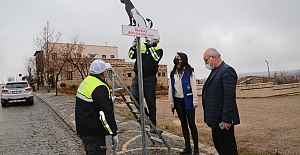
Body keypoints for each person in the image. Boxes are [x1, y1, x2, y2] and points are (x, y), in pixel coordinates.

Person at [202, 48, 240, 155]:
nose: (205, 63)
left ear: (213, 58)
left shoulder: (227, 70)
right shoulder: (215, 71)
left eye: (205, 60)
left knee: (228, 149)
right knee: (220, 147)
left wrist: (226, 119)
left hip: (223, 120)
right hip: (215, 119)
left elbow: (229, 97)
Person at [75, 59, 118, 155]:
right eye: (106, 71)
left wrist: (108, 101)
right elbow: (104, 114)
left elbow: (92, 103)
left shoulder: (87, 81)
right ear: (103, 73)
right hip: (93, 132)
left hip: (84, 128)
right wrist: (113, 132)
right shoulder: (99, 87)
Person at [128, 37, 163, 132]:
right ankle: (143, 112)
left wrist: (150, 46)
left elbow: (156, 58)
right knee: (133, 96)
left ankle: (153, 125)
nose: (151, 39)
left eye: (154, 38)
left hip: (150, 77)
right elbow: (131, 56)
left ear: (158, 41)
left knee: (150, 101)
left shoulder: (159, 50)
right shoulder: (142, 47)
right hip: (138, 76)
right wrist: (133, 47)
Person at [168, 52, 199, 155]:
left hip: (188, 100)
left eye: (178, 57)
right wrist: (171, 102)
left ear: (183, 59)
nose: (176, 59)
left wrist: (195, 100)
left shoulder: (189, 71)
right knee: (183, 124)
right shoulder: (173, 73)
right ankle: (187, 147)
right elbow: (171, 88)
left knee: (192, 124)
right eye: (175, 57)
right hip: (178, 101)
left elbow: (193, 86)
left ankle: (196, 149)